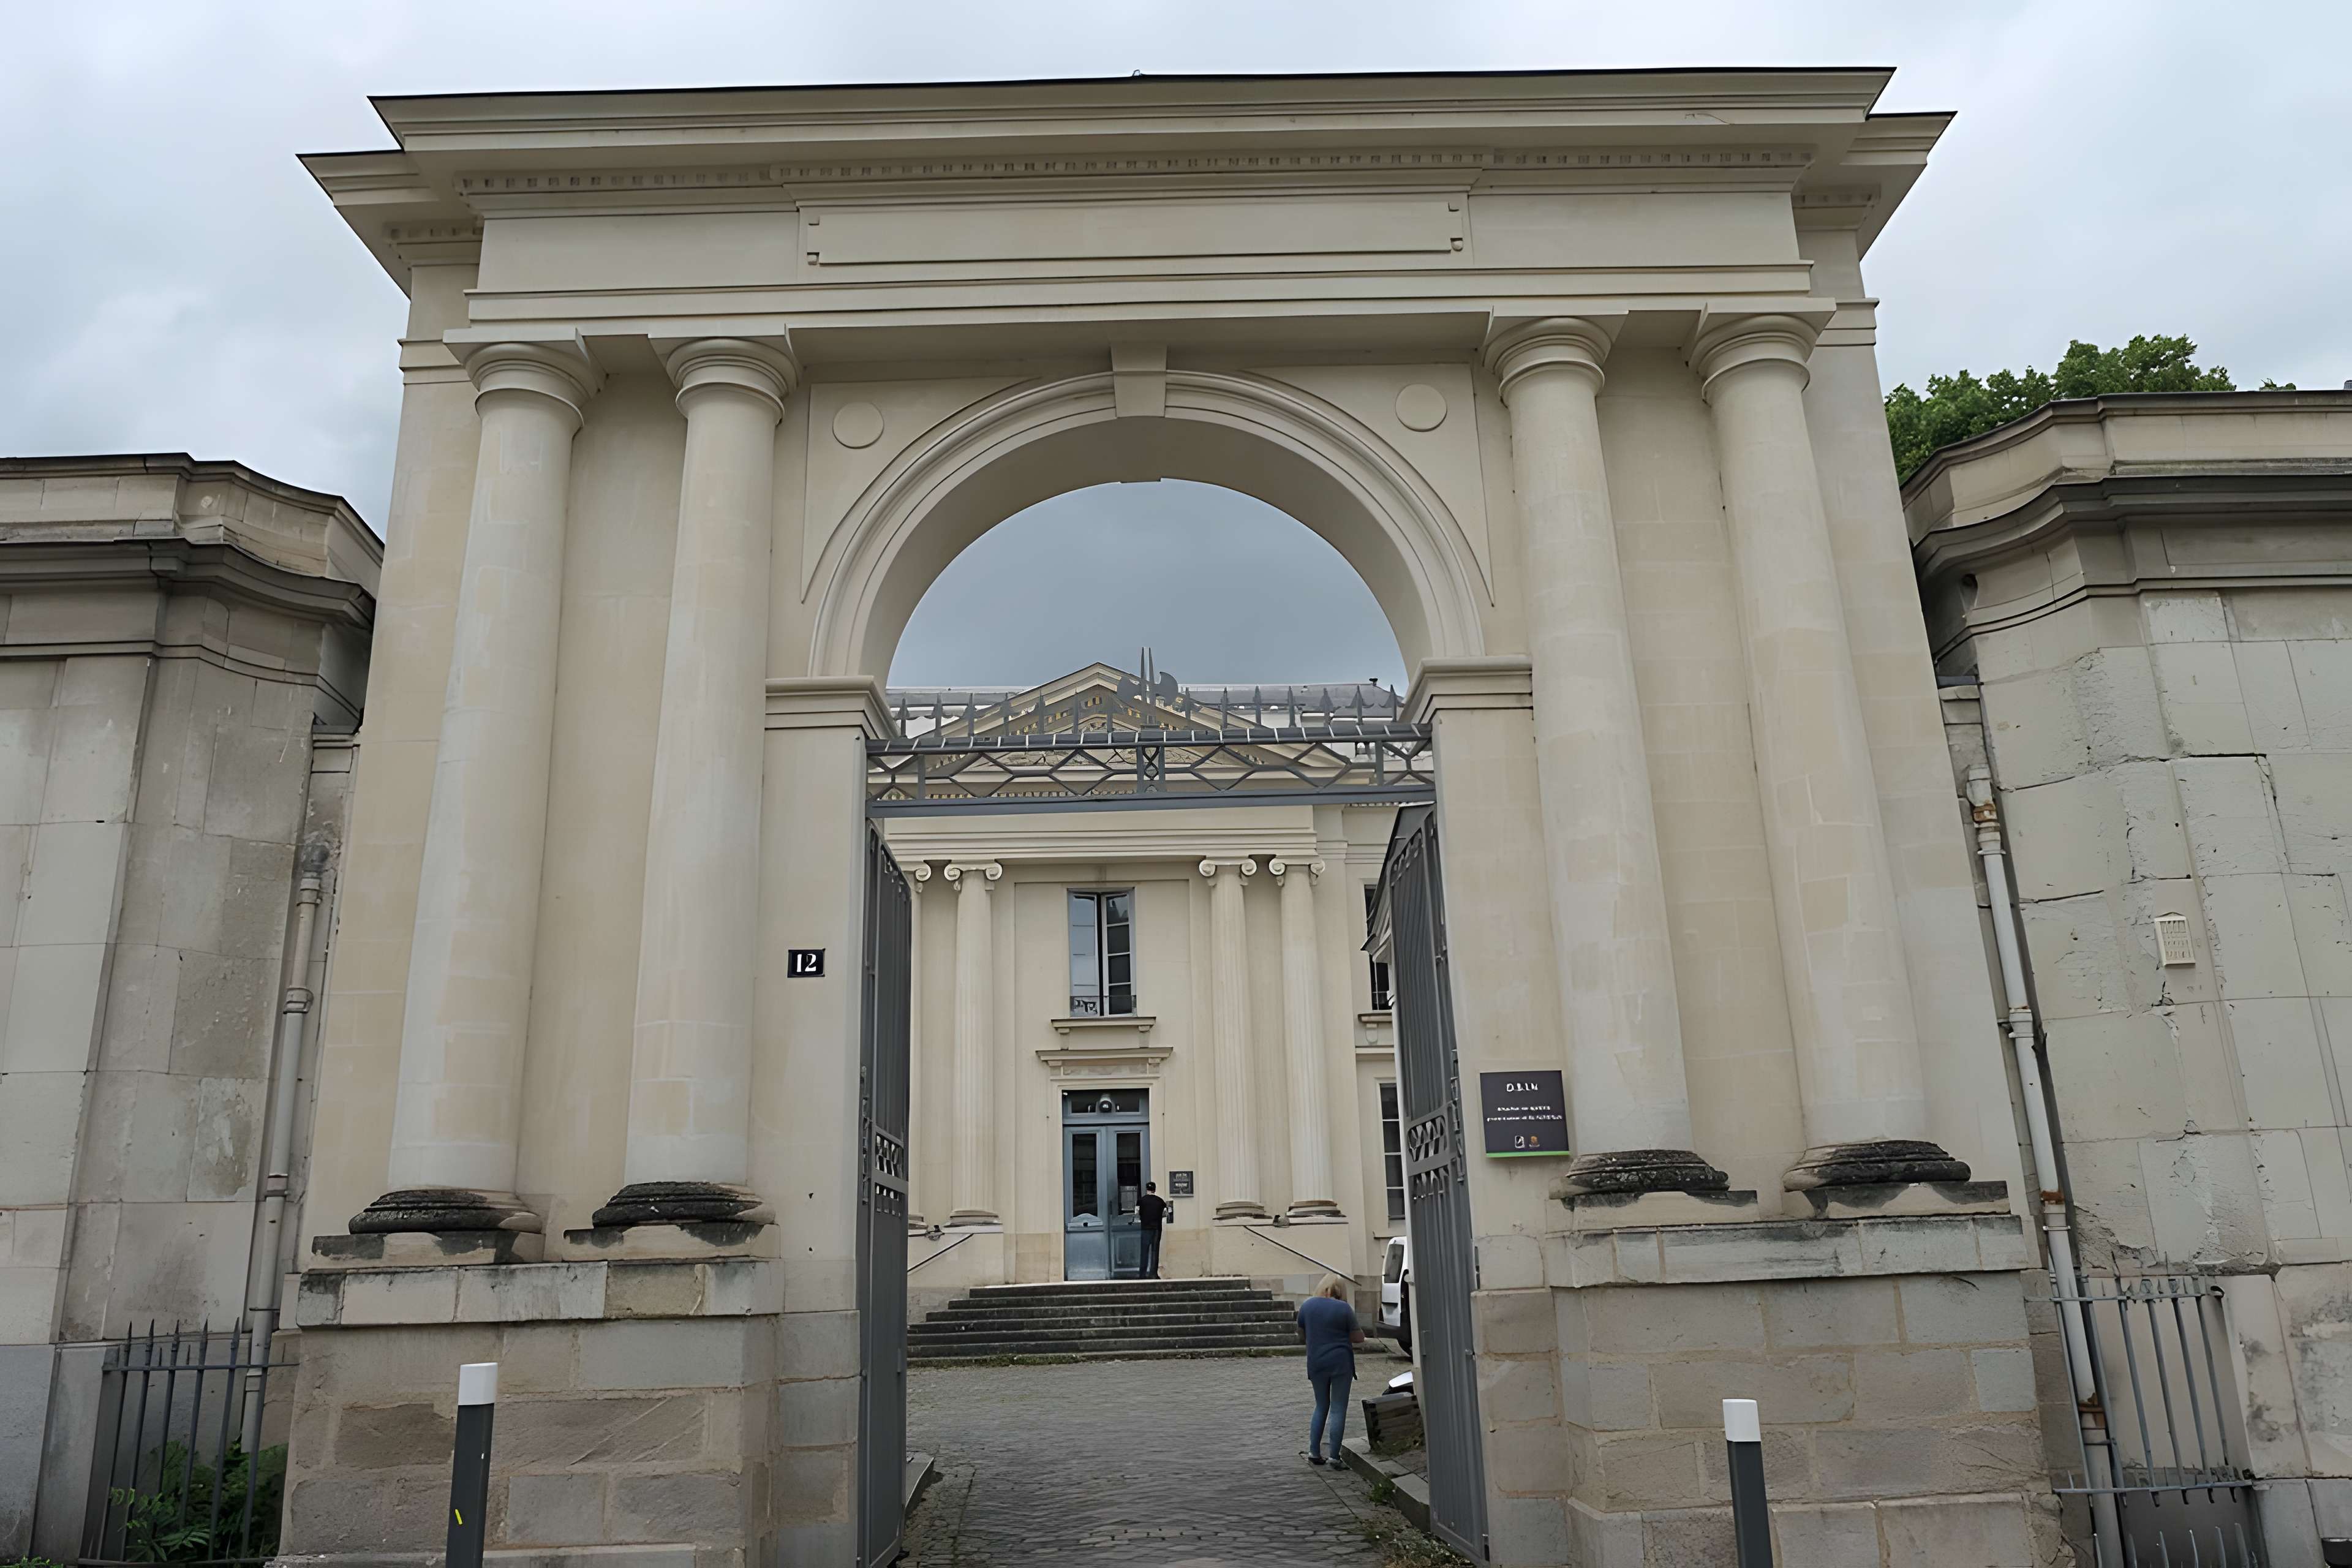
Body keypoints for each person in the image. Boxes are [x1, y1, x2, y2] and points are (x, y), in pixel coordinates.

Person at [1295, 1273, 1365, 1467]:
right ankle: (1335, 1456)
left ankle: (1314, 1452)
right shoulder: (1344, 1309)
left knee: (1321, 1405)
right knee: (1338, 1408)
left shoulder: (1307, 1306)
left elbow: (1301, 1336)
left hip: (1316, 1363)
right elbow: (1359, 1338)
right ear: (1341, 1291)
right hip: (1340, 1363)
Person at [1136, 1180, 1167, 1278]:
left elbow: (1137, 1213)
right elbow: (1165, 1214)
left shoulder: (1141, 1201)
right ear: (1155, 1190)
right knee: (1155, 1251)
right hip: (1157, 1229)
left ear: (1147, 1190)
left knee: (1144, 1251)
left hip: (1145, 1228)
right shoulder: (1161, 1201)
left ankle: (1143, 1274)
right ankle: (1153, 1273)